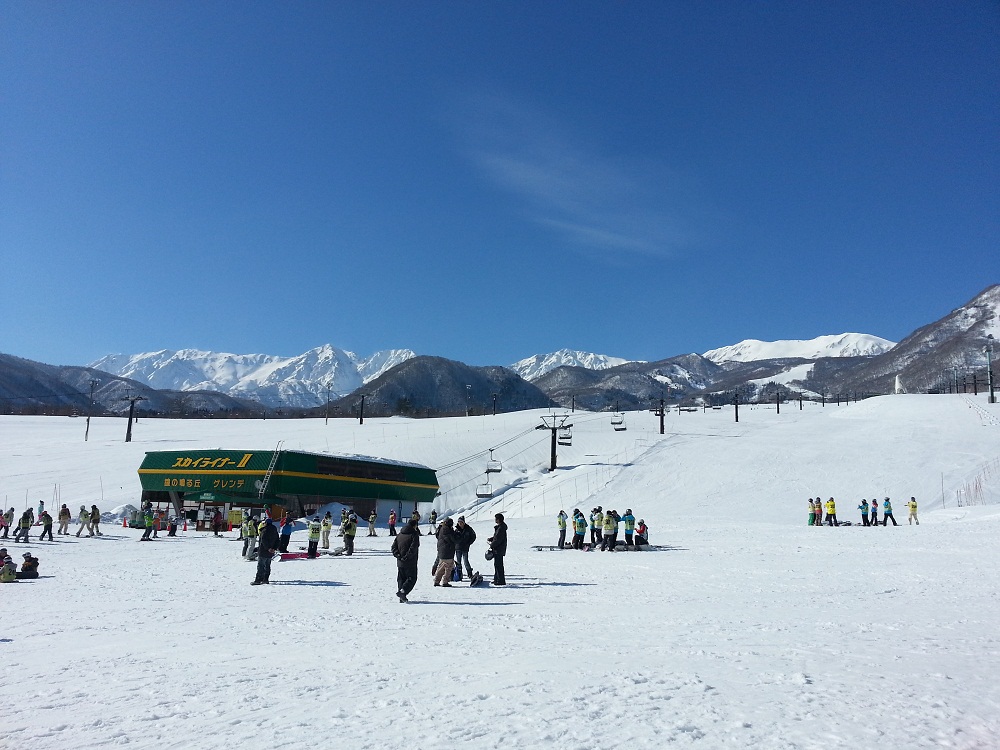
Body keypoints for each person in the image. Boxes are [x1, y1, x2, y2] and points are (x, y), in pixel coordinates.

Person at [391, 518, 420, 602]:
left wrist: (398, 555)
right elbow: (413, 548)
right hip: (410, 561)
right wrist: (406, 557)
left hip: (400, 562)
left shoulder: (400, 534)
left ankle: (401, 596)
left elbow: (393, 547)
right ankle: (402, 592)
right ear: (414, 525)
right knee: (412, 578)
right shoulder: (414, 534)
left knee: (401, 579)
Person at [252, 517, 279, 585]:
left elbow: (264, 541)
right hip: (271, 551)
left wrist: (268, 548)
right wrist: (274, 548)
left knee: (261, 565)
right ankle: (266, 579)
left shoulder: (265, 530)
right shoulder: (274, 530)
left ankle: (258, 580)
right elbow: (278, 540)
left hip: (264, 550)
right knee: (267, 565)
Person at [433, 517, 457, 587]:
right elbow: (453, 539)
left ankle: (436, 580)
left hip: (441, 551)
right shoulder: (448, 531)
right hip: (448, 551)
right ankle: (445, 582)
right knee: (448, 567)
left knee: (441, 567)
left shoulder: (441, 529)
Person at [453, 516, 476, 581]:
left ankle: (469, 573)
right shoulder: (456, 529)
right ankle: (459, 574)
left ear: (464, 522)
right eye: (459, 522)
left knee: (466, 561)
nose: (460, 524)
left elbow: (473, 536)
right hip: (458, 547)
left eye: (461, 522)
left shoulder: (468, 529)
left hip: (465, 548)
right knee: (458, 562)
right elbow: (453, 537)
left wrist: (469, 543)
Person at [488, 513, 507, 585]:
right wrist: (491, 539)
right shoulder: (499, 527)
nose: (495, 520)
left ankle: (501, 580)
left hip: (499, 549)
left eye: (496, 518)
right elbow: (497, 537)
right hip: (497, 549)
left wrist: (492, 545)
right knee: (497, 564)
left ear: (499, 519)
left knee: (499, 565)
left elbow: (498, 539)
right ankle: (497, 579)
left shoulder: (501, 528)